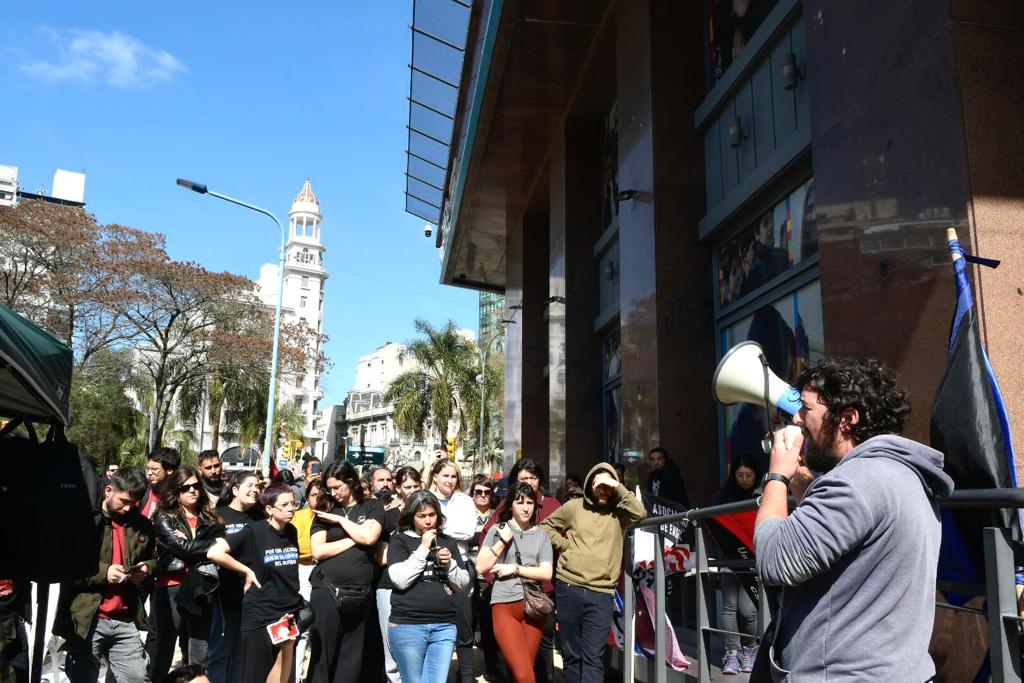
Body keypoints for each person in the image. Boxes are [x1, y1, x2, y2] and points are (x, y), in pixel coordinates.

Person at [754, 358, 953, 680]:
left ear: (847, 419)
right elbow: (838, 529)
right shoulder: (897, 473)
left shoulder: (855, 481)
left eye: (806, 409)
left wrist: (776, 476)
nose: (796, 418)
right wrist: (799, 479)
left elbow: (775, 560)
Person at [541, 463, 646, 683]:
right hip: (568, 587)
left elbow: (640, 512)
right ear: (590, 484)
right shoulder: (574, 507)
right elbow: (546, 525)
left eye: (609, 487)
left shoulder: (621, 514)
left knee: (593, 658)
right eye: (600, 485)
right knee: (571, 656)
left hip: (601, 594)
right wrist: (564, 545)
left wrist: (616, 485)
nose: (604, 490)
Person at [55, 468, 156, 683]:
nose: (128, 507)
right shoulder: (85, 522)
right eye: (124, 501)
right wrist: (104, 573)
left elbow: (155, 557)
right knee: (84, 677)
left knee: (137, 677)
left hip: (126, 618)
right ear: (108, 490)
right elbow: (66, 566)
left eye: (134, 503)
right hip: (88, 619)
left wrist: (147, 568)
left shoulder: (142, 526)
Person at [207, 483, 303, 683]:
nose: (291, 509)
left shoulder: (292, 531)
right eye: (284, 505)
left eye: (293, 504)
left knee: (284, 676)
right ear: (269, 509)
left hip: (288, 614)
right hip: (261, 615)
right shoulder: (254, 531)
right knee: (256, 676)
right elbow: (214, 552)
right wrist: (246, 569)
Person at [481, 459, 561, 683]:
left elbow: (551, 564)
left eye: (533, 478)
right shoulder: (501, 521)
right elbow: (483, 563)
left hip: (539, 599)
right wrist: (495, 572)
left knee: (532, 665)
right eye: (523, 478)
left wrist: (515, 569)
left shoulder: (552, 509)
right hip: (506, 600)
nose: (525, 506)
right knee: (523, 672)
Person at [308, 461, 384, 683]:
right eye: (329, 488)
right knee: (323, 657)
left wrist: (341, 520)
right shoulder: (324, 511)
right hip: (327, 590)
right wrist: (353, 539)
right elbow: (318, 551)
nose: (333, 493)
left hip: (360, 593)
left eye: (337, 487)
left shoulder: (371, 506)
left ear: (350, 482)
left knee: (351, 659)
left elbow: (370, 538)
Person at [151, 467, 225, 682]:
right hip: (171, 586)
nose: (193, 491)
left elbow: (221, 544)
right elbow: (183, 548)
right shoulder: (164, 516)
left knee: (198, 651)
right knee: (164, 649)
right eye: (186, 487)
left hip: (202, 587)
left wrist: (190, 544)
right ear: (176, 490)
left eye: (196, 486)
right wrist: (208, 545)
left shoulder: (209, 516)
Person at [387, 490, 470, 683]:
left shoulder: (447, 541)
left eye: (432, 515)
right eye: (421, 516)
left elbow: (463, 583)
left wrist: (450, 564)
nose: (428, 521)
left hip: (444, 625)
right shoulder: (400, 540)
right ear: (411, 516)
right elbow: (399, 579)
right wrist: (423, 548)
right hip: (408, 624)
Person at [207, 471, 264, 683]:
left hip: (252, 596)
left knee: (242, 654)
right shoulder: (218, 515)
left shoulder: (260, 517)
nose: (255, 490)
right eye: (250, 485)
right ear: (234, 489)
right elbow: (211, 553)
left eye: (258, 486)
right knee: (220, 653)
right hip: (224, 594)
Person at [425, 458, 477, 683]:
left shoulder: (464, 501)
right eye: (445, 475)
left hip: (460, 566)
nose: (450, 480)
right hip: (428, 569)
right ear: (435, 476)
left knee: (464, 626)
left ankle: (466, 676)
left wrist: (439, 529)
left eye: (454, 476)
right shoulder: (426, 498)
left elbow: (467, 531)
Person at [712, 454, 762, 675]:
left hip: (752, 558)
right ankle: (732, 653)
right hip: (728, 558)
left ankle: (751, 649)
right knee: (729, 608)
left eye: (748, 475)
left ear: (755, 476)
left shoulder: (762, 496)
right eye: (740, 475)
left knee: (748, 610)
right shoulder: (724, 497)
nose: (744, 479)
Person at [376, 465, 422, 683]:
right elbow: (382, 558)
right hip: (389, 588)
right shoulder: (390, 516)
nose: (412, 491)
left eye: (415, 486)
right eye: (407, 486)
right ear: (398, 488)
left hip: (421, 587)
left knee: (416, 650)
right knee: (392, 653)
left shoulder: (428, 517)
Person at [291, 478, 323, 680]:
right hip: (302, 571)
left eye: (322, 496)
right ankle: (296, 676)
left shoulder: (334, 517)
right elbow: (299, 547)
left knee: (319, 629)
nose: (318, 500)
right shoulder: (299, 516)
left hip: (324, 573)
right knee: (301, 628)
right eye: (313, 496)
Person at [467, 475, 499, 680]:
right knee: (467, 626)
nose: (482, 496)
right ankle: (466, 669)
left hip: (491, 578)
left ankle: (492, 668)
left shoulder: (498, 514)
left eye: (487, 492)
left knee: (489, 628)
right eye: (478, 491)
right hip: (467, 574)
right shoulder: (465, 513)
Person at [143, 447, 181, 518]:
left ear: (169, 470)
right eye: (148, 468)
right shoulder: (143, 491)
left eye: (154, 469)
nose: (149, 472)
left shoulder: (180, 496)